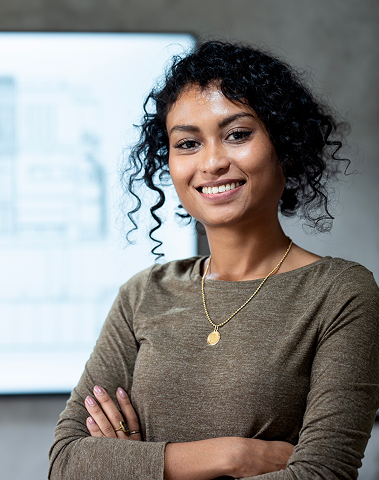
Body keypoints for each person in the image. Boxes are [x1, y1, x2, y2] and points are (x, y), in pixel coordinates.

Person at [48, 40, 379, 479]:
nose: (212, 162)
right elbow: (68, 462)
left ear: (287, 146)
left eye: (237, 134)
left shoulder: (342, 293)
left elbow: (321, 475)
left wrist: (137, 466)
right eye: (187, 143)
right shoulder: (143, 294)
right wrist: (235, 456)